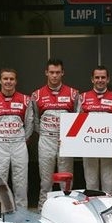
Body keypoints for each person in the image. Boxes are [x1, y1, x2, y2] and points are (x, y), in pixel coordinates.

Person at [0, 68, 34, 209]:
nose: (8, 82)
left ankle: (22, 213)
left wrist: (24, 139)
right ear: (0, 80)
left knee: (21, 182)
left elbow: (30, 123)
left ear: (16, 81)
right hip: (0, 145)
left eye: (11, 79)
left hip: (19, 144)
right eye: (5, 79)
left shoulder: (26, 100)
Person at [31, 59, 79, 210]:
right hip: (46, 139)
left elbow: (79, 118)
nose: (54, 76)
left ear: (62, 73)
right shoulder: (37, 95)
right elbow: (34, 120)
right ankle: (43, 211)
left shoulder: (73, 93)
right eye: (51, 72)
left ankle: (68, 211)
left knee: (66, 180)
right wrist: (45, 133)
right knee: (45, 181)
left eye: (58, 72)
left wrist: (68, 137)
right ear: (46, 73)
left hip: (65, 141)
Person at [77, 65, 112, 196]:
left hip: (109, 146)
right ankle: (93, 214)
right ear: (92, 79)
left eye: (103, 77)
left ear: (108, 79)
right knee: (91, 183)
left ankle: (108, 213)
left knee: (108, 183)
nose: (100, 80)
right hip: (89, 145)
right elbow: (75, 124)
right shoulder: (83, 98)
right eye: (97, 77)